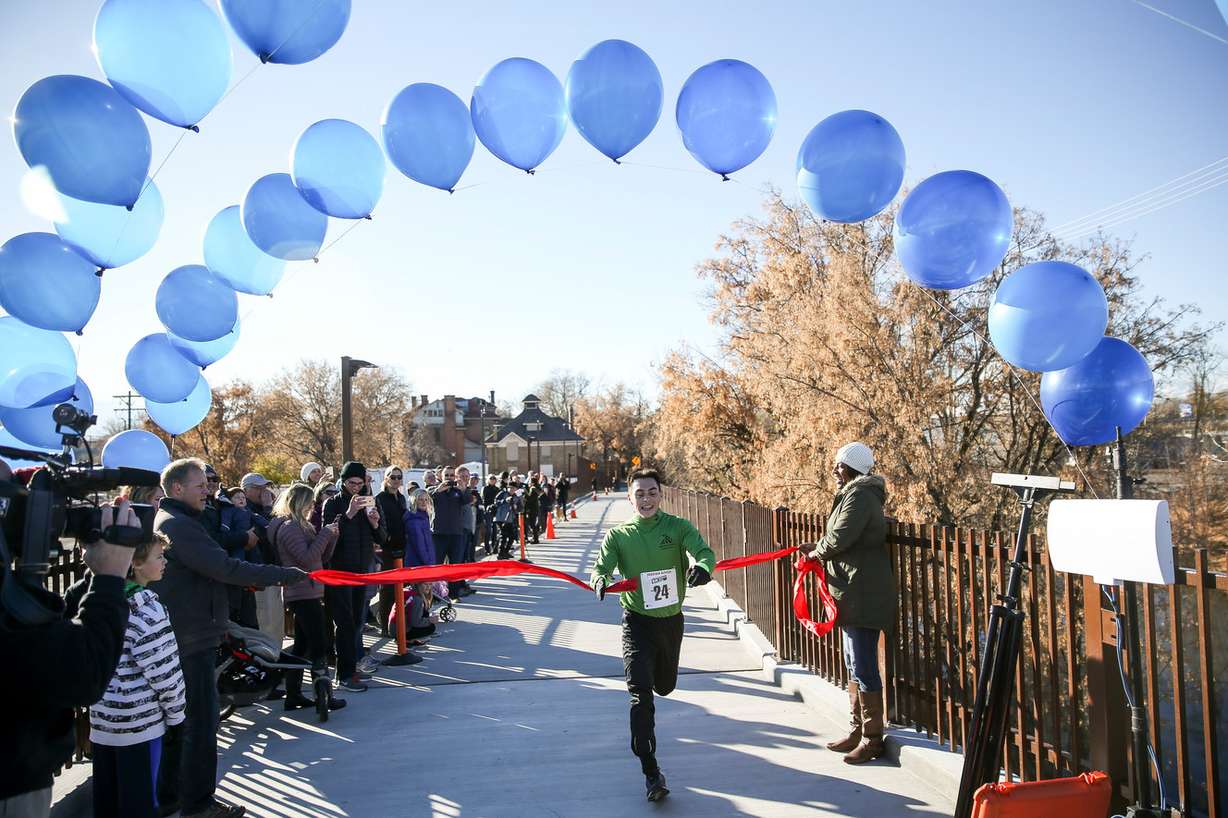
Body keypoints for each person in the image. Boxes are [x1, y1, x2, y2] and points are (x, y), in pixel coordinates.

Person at [150, 458, 308, 818]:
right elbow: (224, 567)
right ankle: (197, 805)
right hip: (191, 640)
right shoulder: (178, 525)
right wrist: (283, 575)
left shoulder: (183, 521)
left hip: (196, 632)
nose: (208, 490)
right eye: (199, 486)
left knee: (184, 726)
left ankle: (173, 798)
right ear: (176, 489)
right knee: (200, 727)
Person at [0, 496, 137, 818]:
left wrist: (95, 578)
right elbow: (84, 676)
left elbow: (43, 626)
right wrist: (110, 578)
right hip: (11, 781)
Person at [590, 468, 715, 802]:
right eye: (639, 494)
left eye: (651, 492)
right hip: (636, 623)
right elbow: (599, 569)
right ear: (630, 498)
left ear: (661, 494)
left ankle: (651, 756)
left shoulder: (677, 527)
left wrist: (702, 568)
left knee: (665, 685)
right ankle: (650, 771)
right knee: (640, 694)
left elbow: (704, 552)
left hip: (670, 623)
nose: (646, 499)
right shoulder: (618, 536)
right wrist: (600, 580)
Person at [799, 442, 895, 765]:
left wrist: (816, 552)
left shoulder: (860, 495)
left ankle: (872, 738)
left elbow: (841, 537)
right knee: (853, 662)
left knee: (864, 662)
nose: (834, 471)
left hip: (862, 592)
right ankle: (857, 729)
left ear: (851, 467)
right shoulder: (857, 494)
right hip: (851, 591)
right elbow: (843, 536)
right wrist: (818, 547)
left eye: (838, 465)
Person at [89, 535, 185, 818]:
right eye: (159, 556)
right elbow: (165, 672)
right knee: (140, 804)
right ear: (135, 564)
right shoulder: (147, 610)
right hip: (141, 727)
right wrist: (177, 715)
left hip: (103, 721)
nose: (165, 561)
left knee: (107, 802)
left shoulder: (97, 602)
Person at [268, 484, 346, 713]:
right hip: (301, 592)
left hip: (309, 590)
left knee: (302, 646)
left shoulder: (303, 526)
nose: (313, 507)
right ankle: (324, 695)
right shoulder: (290, 528)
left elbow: (321, 557)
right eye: (310, 503)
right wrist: (324, 534)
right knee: (319, 644)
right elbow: (306, 559)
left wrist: (331, 537)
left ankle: (294, 695)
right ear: (301, 503)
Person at [320, 461, 388, 693]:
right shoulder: (333, 503)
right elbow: (328, 534)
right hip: (339, 571)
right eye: (351, 483)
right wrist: (348, 513)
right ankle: (344, 674)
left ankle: (352, 668)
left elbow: (382, 537)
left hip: (362, 571)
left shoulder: (370, 500)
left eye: (361, 483)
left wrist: (375, 523)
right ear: (343, 481)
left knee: (358, 621)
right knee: (345, 623)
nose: (356, 488)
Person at [375, 467, 408, 636]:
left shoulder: (401, 498)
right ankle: (385, 628)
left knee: (399, 588)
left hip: (402, 546)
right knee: (387, 588)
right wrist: (385, 539)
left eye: (399, 477)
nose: (396, 480)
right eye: (392, 477)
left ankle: (397, 625)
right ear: (386, 478)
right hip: (387, 548)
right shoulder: (379, 498)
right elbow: (378, 523)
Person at [428, 466, 470, 599]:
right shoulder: (434, 489)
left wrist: (463, 488)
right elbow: (426, 498)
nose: (449, 478)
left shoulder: (458, 491)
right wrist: (439, 489)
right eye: (447, 475)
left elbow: (467, 500)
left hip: (456, 534)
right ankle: (436, 594)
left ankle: (454, 594)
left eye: (452, 475)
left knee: (455, 565)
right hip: (439, 534)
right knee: (437, 565)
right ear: (440, 476)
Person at [481, 475, 500, 554]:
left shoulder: (497, 489)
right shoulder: (485, 488)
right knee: (488, 530)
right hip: (488, 511)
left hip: (496, 511)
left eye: (494, 479)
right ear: (488, 480)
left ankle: (495, 547)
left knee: (495, 530)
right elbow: (483, 499)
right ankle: (487, 548)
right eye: (491, 479)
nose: (492, 480)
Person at [523, 475, 542, 545]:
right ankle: (535, 537)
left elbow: (530, 498)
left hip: (532, 508)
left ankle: (535, 538)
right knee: (533, 523)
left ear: (532, 483)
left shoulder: (532, 488)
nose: (528, 483)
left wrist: (525, 492)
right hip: (535, 508)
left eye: (529, 482)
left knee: (532, 524)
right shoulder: (536, 488)